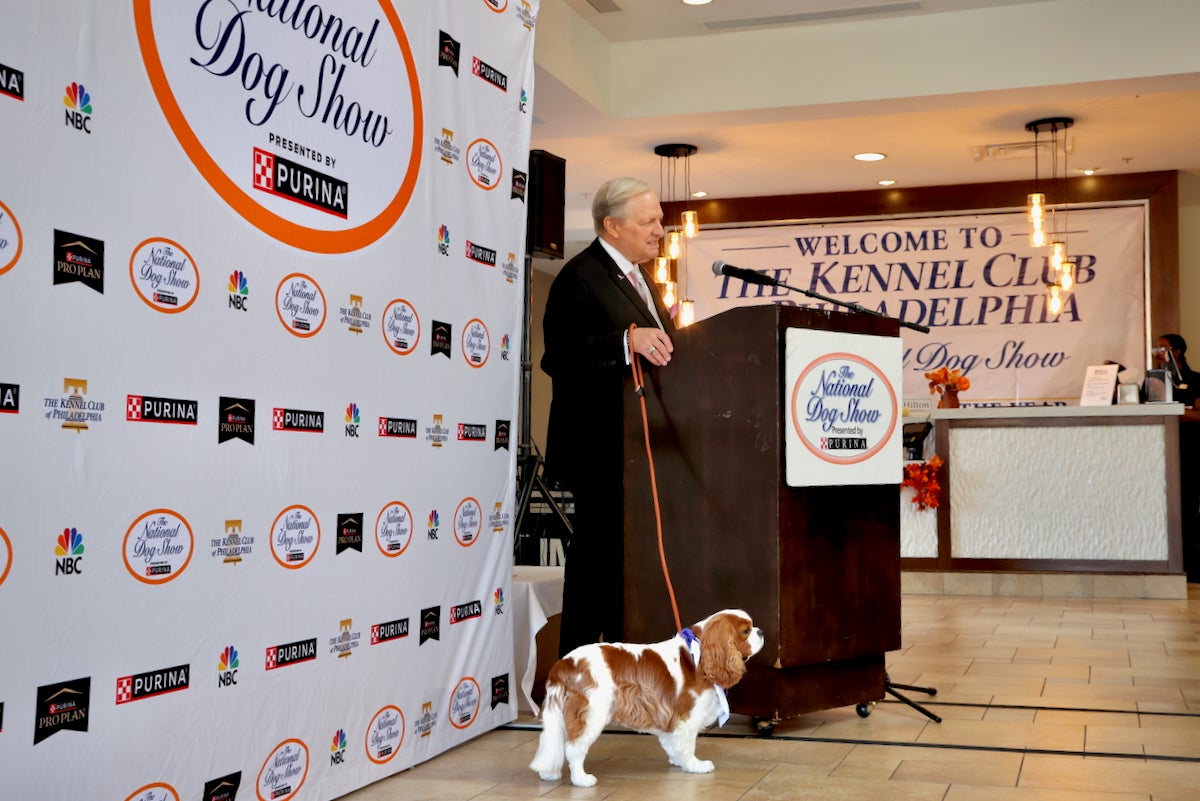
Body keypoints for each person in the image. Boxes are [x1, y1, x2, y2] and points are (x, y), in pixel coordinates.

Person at [540, 177, 676, 655]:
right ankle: (577, 675)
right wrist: (626, 342)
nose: (661, 229)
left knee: (629, 567)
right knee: (597, 565)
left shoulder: (640, 279)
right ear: (612, 226)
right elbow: (559, 357)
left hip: (644, 452)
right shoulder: (579, 277)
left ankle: (626, 665)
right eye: (650, 221)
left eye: (659, 219)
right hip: (600, 452)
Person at [1154, 333, 1199, 408]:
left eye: (1162, 349)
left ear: (1176, 352)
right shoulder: (1152, 380)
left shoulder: (1196, 379)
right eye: (1155, 349)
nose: (1157, 354)